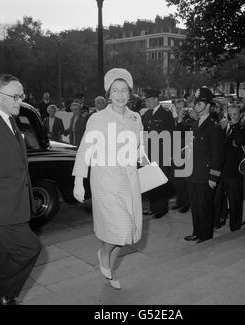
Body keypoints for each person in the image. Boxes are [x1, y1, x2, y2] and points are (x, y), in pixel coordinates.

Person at [72, 68, 144, 289]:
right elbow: (85, 149)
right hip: (106, 180)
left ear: (129, 93)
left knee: (127, 233)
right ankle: (103, 254)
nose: (120, 95)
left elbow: (140, 148)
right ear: (109, 94)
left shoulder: (135, 117)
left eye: (124, 90)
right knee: (119, 229)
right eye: (115, 90)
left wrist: (149, 163)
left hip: (129, 180)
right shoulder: (98, 118)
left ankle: (110, 272)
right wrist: (78, 180)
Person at [0, 74, 41, 305]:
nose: (20, 100)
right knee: (29, 249)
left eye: (22, 95)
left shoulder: (9, 118)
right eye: (16, 96)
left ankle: (1, 294)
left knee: (7, 253)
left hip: (14, 203)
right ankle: (2, 294)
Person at [184, 87, 224, 243]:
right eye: (196, 103)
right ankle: (197, 231)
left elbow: (218, 154)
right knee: (195, 205)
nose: (196, 106)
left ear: (208, 105)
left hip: (206, 174)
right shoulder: (196, 123)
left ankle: (205, 235)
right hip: (193, 171)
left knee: (205, 206)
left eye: (200, 103)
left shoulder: (214, 125)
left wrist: (213, 176)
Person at [214, 103, 245, 231]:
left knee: (235, 200)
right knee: (218, 198)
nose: (232, 116)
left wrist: (235, 126)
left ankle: (235, 226)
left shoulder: (242, 129)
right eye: (230, 114)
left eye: (235, 114)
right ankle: (217, 221)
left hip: (234, 171)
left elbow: (238, 142)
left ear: (240, 115)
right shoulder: (223, 127)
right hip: (222, 169)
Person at [141, 89, 175, 218]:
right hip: (148, 152)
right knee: (151, 181)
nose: (147, 102)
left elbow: (171, 134)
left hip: (161, 153)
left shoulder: (166, 113)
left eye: (149, 100)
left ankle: (161, 209)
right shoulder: (148, 114)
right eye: (146, 100)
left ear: (156, 99)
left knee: (160, 181)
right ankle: (153, 207)